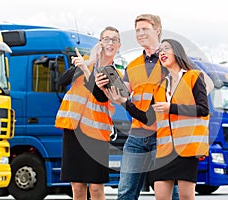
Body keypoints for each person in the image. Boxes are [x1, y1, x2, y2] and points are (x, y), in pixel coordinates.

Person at [108, 38, 209, 200]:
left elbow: (203, 110)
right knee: (160, 195)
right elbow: (146, 118)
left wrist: (172, 108)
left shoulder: (193, 77)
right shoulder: (160, 86)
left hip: (187, 149)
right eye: (160, 51)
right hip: (164, 151)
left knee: (185, 196)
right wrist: (122, 102)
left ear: (178, 52)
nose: (162, 53)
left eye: (166, 49)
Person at [96, 14, 179, 199]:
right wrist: (106, 87)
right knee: (125, 191)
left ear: (157, 31)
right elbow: (122, 94)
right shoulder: (132, 66)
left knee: (169, 193)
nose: (140, 33)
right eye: (137, 30)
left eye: (145, 29)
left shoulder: (172, 60)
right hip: (137, 135)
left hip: (163, 135)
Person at [54, 26, 121, 200]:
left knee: (97, 187)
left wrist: (86, 69)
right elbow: (62, 81)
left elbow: (99, 96)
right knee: (76, 186)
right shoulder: (86, 61)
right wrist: (89, 62)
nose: (110, 43)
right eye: (106, 39)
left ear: (118, 45)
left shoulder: (114, 73)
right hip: (74, 130)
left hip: (96, 133)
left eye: (114, 40)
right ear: (99, 43)